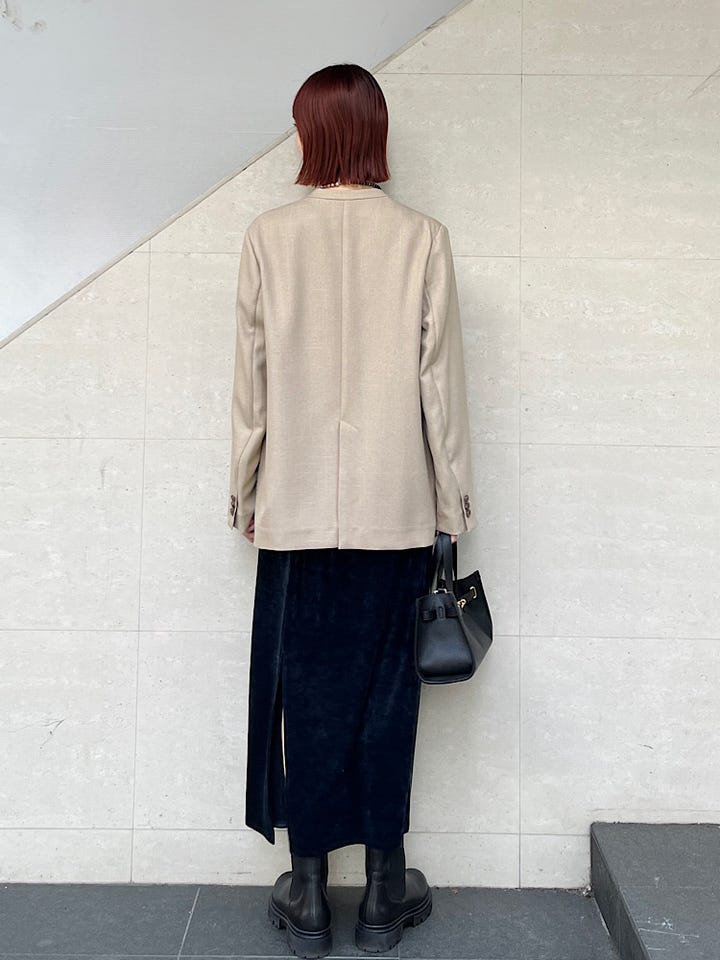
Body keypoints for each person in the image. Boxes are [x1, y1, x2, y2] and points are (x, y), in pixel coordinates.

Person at [227, 63, 477, 959]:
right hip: (395, 508)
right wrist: (452, 499)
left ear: (311, 134)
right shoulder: (422, 239)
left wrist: (246, 487)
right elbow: (440, 386)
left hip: (295, 511)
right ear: (375, 134)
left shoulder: (269, 236)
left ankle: (305, 893)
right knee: (385, 700)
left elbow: (252, 382)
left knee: (302, 696)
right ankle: (380, 893)